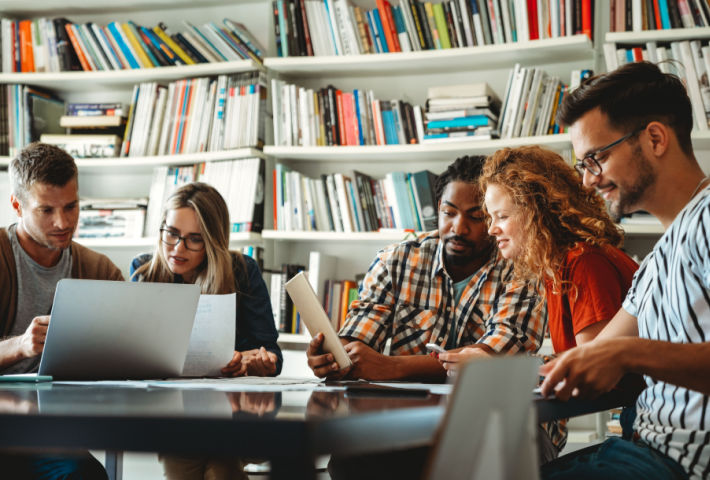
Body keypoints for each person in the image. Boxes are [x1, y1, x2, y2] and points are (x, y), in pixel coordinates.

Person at [538, 61, 710, 479]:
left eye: (595, 158)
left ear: (654, 138)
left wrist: (628, 353)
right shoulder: (657, 259)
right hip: (638, 448)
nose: (586, 181)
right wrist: (493, 370)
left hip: (677, 464)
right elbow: (591, 354)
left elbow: (617, 351)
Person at [439, 145, 639, 458]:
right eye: (490, 217)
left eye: (502, 216)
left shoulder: (584, 262)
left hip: (643, 425)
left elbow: (592, 373)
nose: (492, 229)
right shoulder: (557, 267)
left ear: (539, 211)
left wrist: (498, 370)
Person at [306, 155, 545, 383]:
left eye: (476, 217)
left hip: (492, 411)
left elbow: (494, 356)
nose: (458, 228)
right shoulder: (395, 261)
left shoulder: (521, 269)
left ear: (493, 218)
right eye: (449, 213)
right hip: (406, 413)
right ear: (439, 207)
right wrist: (333, 358)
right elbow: (359, 338)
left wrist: (390, 366)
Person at [130, 181, 282, 480]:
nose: (177, 248)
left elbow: (271, 354)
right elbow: (135, 355)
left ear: (213, 240)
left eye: (194, 239)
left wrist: (256, 364)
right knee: (217, 464)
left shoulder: (242, 270)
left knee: (197, 451)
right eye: (171, 233)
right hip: (170, 411)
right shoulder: (144, 271)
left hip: (235, 411)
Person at [1, 142, 123, 480]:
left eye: (71, 207)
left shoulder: (101, 271)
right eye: (46, 210)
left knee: (85, 475)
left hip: (53, 427)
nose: (63, 222)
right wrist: (20, 346)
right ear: (17, 205)